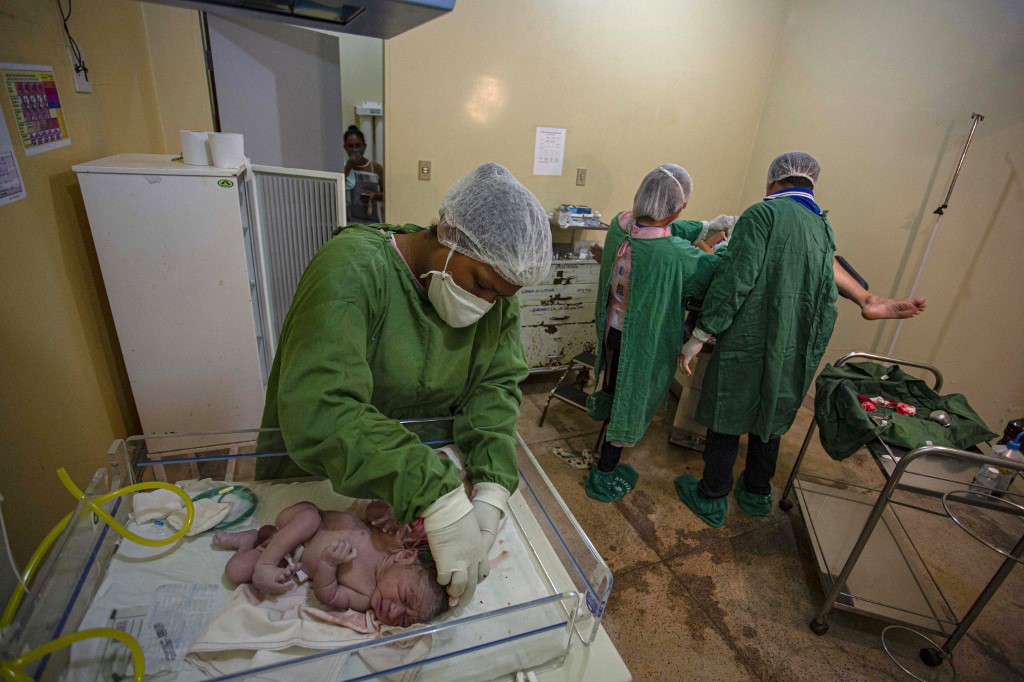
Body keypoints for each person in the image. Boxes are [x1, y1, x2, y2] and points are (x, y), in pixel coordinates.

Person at [256, 162, 552, 604]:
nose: (486, 305)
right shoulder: (353, 270)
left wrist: (490, 490)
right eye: (480, 284)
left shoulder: (495, 298)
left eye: (501, 298)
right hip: (319, 477)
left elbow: (494, 388)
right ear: (449, 234)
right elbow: (321, 409)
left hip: (415, 490)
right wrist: (434, 492)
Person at [676, 152, 926, 527]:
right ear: (811, 183)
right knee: (772, 410)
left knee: (728, 408)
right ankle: (757, 492)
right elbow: (824, 275)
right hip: (794, 341)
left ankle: (712, 496)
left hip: (751, 336)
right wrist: (865, 298)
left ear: (771, 181)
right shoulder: (820, 225)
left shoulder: (762, 215)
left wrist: (699, 333)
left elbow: (735, 281)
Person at [584, 164, 734, 502]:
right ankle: (606, 470)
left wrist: (705, 227)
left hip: (612, 330)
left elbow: (665, 229)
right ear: (676, 207)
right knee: (630, 400)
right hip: (640, 342)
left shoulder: (619, 227)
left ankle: (605, 454)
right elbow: (712, 271)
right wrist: (727, 245)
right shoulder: (674, 255)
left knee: (613, 388)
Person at [213, 500, 448, 627]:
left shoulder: (366, 597)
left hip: (290, 558)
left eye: (404, 620)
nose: (394, 611)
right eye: (405, 598)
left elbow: (329, 595)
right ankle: (265, 565)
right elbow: (370, 510)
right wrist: (384, 511)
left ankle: (248, 541)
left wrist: (328, 563)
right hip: (300, 521)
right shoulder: (392, 540)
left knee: (235, 572)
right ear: (406, 557)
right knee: (310, 518)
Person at [344, 126, 384, 222]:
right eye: (350, 146)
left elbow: (388, 195)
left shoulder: (376, 168)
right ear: (345, 147)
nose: (354, 149)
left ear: (364, 147)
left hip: (373, 222)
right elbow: (335, 191)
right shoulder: (342, 168)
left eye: (358, 145)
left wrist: (374, 195)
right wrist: (348, 167)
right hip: (349, 221)